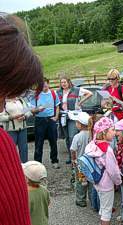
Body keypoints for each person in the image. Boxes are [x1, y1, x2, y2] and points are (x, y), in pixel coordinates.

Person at [0, 13, 43, 225]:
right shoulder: (2, 145)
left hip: (22, 125)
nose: (3, 102)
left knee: (23, 150)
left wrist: (28, 113)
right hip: (12, 127)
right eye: (3, 93)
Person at [85, 117, 122, 225]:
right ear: (104, 132)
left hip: (97, 180)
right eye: (112, 130)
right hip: (106, 183)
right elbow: (113, 171)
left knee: (103, 206)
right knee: (107, 211)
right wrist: (118, 182)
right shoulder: (107, 150)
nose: (115, 133)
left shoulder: (92, 144)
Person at [57, 75, 93, 164]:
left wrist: (80, 102)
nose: (63, 84)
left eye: (65, 82)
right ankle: (71, 157)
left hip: (74, 116)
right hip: (64, 116)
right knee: (67, 138)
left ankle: (78, 155)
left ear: (69, 82)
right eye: (62, 82)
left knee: (72, 136)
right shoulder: (59, 92)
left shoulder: (76, 90)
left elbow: (89, 93)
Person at [31, 78, 60, 169]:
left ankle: (54, 160)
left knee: (53, 141)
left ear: (48, 84)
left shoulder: (53, 93)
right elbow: (32, 110)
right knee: (39, 143)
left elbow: (57, 106)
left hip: (51, 120)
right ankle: (37, 163)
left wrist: (56, 117)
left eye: (45, 84)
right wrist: (38, 109)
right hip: (40, 120)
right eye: (42, 85)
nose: (44, 86)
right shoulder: (35, 95)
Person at [69, 111, 91, 207]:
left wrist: (73, 161)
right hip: (90, 163)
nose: (76, 124)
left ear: (80, 125)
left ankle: (81, 200)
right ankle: (92, 199)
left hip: (80, 164)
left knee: (80, 182)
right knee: (91, 181)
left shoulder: (77, 137)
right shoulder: (92, 134)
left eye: (77, 122)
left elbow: (73, 150)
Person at [0, 96, 32, 162]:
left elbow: (29, 111)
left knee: (24, 150)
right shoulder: (4, 101)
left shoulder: (20, 100)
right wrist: (11, 117)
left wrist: (24, 116)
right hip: (10, 131)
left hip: (22, 129)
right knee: (10, 151)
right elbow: (1, 117)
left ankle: (24, 167)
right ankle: (12, 169)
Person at [22, 161, 50, 225]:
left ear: (27, 178)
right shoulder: (44, 190)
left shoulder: (26, 194)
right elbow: (48, 203)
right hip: (44, 221)